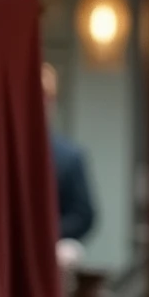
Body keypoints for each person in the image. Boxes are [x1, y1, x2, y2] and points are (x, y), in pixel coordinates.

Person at [41, 61, 95, 266]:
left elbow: (83, 215)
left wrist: (47, 232)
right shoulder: (2, 154)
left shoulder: (70, 157)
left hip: (53, 246)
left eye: (46, 97)